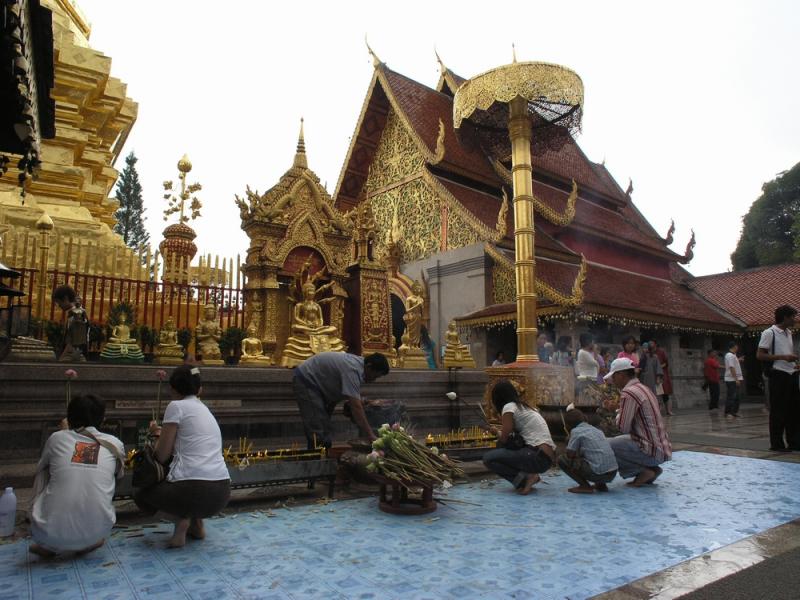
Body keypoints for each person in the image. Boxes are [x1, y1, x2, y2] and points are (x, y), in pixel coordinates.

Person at [135, 366, 231, 548]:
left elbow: (161, 456)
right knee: (189, 480)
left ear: (172, 388)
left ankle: (180, 521)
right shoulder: (204, 409)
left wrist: (156, 435)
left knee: (141, 495)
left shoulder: (176, 406)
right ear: (200, 390)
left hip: (192, 490)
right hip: (221, 493)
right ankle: (197, 524)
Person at [29, 394, 124, 557]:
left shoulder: (57, 438)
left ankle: (49, 543)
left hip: (46, 533)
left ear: (69, 417)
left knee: (44, 469)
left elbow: (42, 466)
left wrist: (65, 431)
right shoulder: (114, 443)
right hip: (99, 530)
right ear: (102, 419)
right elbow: (117, 475)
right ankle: (87, 539)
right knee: (108, 472)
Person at [293, 352, 390, 448]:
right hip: (307, 380)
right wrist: (370, 435)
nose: (374, 380)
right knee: (318, 428)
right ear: (369, 366)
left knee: (324, 424)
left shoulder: (360, 367)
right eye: (375, 376)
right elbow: (356, 407)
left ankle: (323, 453)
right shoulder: (353, 369)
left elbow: (347, 394)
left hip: (320, 386)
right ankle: (317, 460)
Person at [605, 357, 672, 487]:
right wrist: (618, 409)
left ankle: (642, 471)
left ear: (621, 375)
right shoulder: (643, 388)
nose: (613, 380)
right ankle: (653, 470)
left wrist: (616, 412)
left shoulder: (628, 392)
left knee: (606, 445)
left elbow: (622, 427)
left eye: (614, 376)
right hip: (660, 449)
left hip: (650, 450)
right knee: (620, 441)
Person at [482, 380, 556, 495]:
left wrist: (496, 432)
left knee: (489, 458)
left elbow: (504, 438)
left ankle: (527, 479)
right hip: (546, 458)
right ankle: (528, 477)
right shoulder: (525, 407)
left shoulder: (508, 407)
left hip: (536, 455)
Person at [757, 305, 799, 451]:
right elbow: (760, 355)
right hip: (778, 375)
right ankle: (777, 444)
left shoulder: (788, 332)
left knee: (793, 410)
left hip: (791, 374)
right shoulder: (769, 333)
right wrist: (783, 357)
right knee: (778, 411)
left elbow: (787, 354)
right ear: (785, 317)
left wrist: (794, 363)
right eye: (793, 316)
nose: (795, 319)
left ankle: (794, 442)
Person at [558, 408, 618, 494]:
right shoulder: (597, 430)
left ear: (568, 425)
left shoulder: (576, 431)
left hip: (598, 474)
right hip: (612, 473)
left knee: (562, 460)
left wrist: (569, 442)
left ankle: (585, 486)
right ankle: (601, 485)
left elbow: (570, 455)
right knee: (594, 457)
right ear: (584, 418)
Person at [575, 333, 599, 403]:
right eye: (592, 341)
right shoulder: (583, 352)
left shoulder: (585, 352)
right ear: (588, 342)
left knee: (589, 399)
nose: (593, 343)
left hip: (590, 379)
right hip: (587, 379)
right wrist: (595, 351)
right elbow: (596, 363)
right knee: (587, 400)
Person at [652, 341, 674, 415]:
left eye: (652, 343)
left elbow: (666, 363)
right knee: (656, 393)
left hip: (662, 375)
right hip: (653, 374)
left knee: (665, 393)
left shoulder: (661, 352)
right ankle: (657, 411)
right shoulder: (649, 353)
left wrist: (659, 367)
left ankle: (668, 410)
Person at [723, 341, 743, 420]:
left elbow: (733, 363)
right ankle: (728, 412)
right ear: (734, 346)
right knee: (731, 396)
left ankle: (734, 412)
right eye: (736, 346)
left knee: (737, 397)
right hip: (731, 379)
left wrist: (738, 359)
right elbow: (731, 367)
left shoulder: (733, 355)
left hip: (736, 378)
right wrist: (736, 379)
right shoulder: (729, 355)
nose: (737, 347)